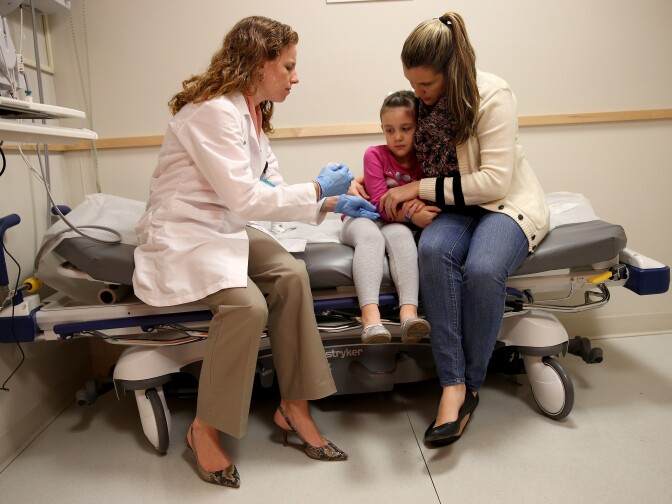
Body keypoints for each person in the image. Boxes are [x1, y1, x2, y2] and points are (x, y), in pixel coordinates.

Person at [132, 16, 378, 488]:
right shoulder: (211, 112)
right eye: (287, 66)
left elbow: (272, 189)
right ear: (257, 63)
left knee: (289, 274)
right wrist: (315, 188)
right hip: (186, 232)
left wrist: (328, 201)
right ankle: (205, 428)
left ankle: (295, 406)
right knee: (246, 305)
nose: (295, 76)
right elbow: (246, 198)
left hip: (226, 226)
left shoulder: (253, 112)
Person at [378, 12, 550, 447]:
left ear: (451, 70)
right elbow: (398, 152)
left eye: (425, 86)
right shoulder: (425, 102)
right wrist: (377, 182)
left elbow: (493, 180)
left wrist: (418, 187)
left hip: (503, 205)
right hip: (453, 206)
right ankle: (451, 382)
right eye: (411, 84)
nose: (418, 95)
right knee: (433, 253)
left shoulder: (493, 95)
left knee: (484, 268)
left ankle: (470, 385)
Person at [340, 91, 437, 344]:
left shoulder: (424, 159)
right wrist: (411, 212)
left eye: (406, 129)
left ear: (419, 127)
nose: (398, 137)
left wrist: (419, 203)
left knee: (403, 237)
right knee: (372, 238)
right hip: (361, 215)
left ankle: (409, 315)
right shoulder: (374, 154)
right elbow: (380, 203)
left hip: (395, 222)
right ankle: (371, 319)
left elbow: (430, 194)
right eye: (390, 130)